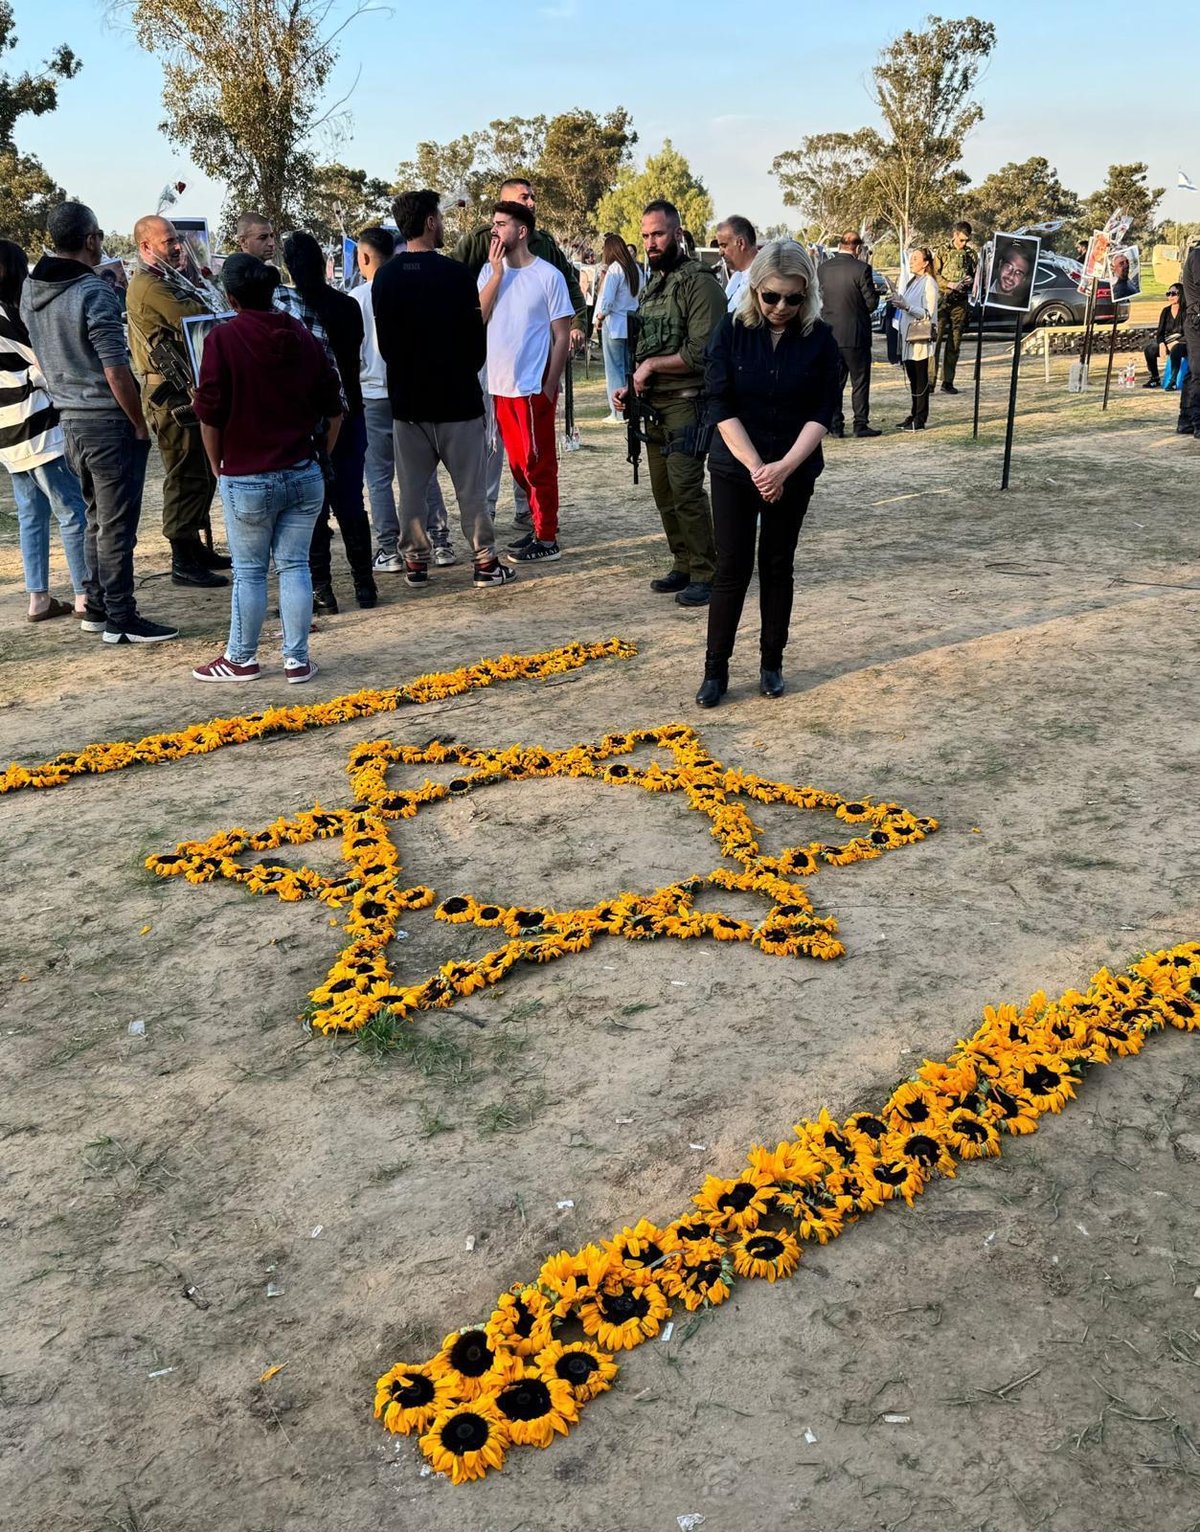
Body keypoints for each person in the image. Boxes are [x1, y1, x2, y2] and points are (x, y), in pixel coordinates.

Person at [21, 201, 178, 643]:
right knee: (116, 524)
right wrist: (139, 422)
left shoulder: (31, 290)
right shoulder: (93, 292)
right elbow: (115, 368)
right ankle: (121, 617)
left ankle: (95, 603)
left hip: (69, 418)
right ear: (91, 240)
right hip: (105, 420)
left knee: (96, 518)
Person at [698, 240, 839, 705]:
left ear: (808, 294)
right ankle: (715, 671)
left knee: (778, 564)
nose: (782, 307)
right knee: (732, 567)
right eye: (771, 297)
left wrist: (784, 468)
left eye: (794, 298)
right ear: (755, 289)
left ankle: (771, 663)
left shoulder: (819, 339)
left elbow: (824, 410)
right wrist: (759, 468)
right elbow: (719, 402)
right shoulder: (731, 330)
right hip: (737, 466)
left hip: (794, 466)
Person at [191, 254, 342, 682]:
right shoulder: (300, 334)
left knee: (250, 571)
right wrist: (321, 453)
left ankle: (241, 657)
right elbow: (335, 407)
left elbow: (210, 415)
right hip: (302, 469)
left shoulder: (222, 339)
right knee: (295, 566)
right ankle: (296, 659)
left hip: (248, 473)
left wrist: (218, 466)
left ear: (231, 297)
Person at [371, 189, 514, 589]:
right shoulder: (456, 275)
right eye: (441, 217)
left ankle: (415, 563)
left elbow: (387, 345)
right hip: (457, 401)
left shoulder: (385, 277)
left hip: (408, 402)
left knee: (412, 490)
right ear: (431, 222)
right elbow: (474, 344)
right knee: (471, 489)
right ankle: (485, 562)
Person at [613, 199, 726, 607]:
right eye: (645, 236)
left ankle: (706, 572)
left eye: (657, 234)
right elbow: (648, 348)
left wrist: (651, 368)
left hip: (686, 404)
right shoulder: (655, 285)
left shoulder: (701, 283)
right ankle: (683, 562)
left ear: (678, 233)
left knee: (686, 490)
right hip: (655, 404)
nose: (650, 243)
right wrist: (633, 384)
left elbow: (701, 352)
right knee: (663, 492)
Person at [126, 214, 229, 589]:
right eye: (167, 241)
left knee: (202, 471)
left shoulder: (169, 280)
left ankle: (195, 548)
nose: (175, 246)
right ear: (145, 246)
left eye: (175, 240)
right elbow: (196, 316)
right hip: (169, 393)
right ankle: (182, 558)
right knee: (185, 473)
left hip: (184, 387)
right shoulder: (149, 285)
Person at [279, 230, 377, 613]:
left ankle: (323, 590)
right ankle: (364, 585)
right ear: (323, 263)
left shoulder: (287, 311)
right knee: (351, 503)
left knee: (312, 510)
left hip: (305, 422)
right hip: (350, 412)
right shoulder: (347, 306)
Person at [352, 226, 456, 574]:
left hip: (373, 395)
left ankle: (389, 549)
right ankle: (440, 542)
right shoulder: (408, 288)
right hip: (409, 391)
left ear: (364, 257)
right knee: (422, 472)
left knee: (379, 477)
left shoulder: (356, 298)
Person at [478, 200, 573, 564]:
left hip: (532, 387)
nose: (495, 230)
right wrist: (497, 273)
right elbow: (480, 317)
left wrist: (549, 386)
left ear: (522, 231)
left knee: (538, 464)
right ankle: (537, 527)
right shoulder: (490, 273)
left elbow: (561, 335)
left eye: (502, 224)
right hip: (500, 387)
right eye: (494, 224)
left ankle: (547, 536)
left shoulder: (548, 275)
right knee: (518, 467)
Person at [0, 239, 89, 622]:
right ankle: (85, 593)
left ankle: (38, 596)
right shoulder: (14, 315)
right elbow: (40, 366)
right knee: (71, 511)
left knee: (31, 516)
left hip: (8, 433)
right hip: (39, 425)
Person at [818, 231, 881, 438]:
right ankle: (860, 424)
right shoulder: (862, 269)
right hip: (856, 335)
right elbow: (871, 303)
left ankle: (835, 424)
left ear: (840, 244)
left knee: (834, 383)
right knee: (860, 382)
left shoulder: (823, 269)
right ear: (858, 247)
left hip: (831, 335)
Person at [594, 232, 641, 425]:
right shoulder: (635, 268)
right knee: (630, 368)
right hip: (632, 324)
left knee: (614, 369)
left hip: (614, 325)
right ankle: (633, 408)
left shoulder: (615, 269)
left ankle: (618, 411)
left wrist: (599, 317)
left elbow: (607, 300)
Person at [891, 248, 939, 430]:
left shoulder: (929, 283)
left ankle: (920, 417)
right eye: (911, 258)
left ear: (926, 263)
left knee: (920, 379)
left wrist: (907, 306)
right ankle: (914, 413)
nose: (911, 261)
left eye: (915, 259)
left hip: (920, 338)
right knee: (913, 379)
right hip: (908, 338)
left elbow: (928, 313)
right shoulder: (913, 282)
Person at [933, 220, 977, 393]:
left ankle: (947, 381)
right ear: (955, 235)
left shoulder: (971, 254)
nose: (964, 244)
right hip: (943, 300)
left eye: (966, 241)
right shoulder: (942, 251)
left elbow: (976, 276)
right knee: (935, 342)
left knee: (955, 342)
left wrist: (971, 281)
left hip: (960, 302)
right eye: (961, 240)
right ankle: (930, 382)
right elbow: (935, 274)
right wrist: (949, 284)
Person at [1143, 284, 1186, 388]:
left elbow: (1190, 333)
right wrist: (1161, 344)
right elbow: (1160, 333)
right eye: (1168, 294)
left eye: (1173, 294)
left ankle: (1173, 381)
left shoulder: (1187, 311)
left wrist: (1177, 342)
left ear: (1181, 295)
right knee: (1150, 349)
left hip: (1183, 343)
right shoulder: (1166, 311)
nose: (1170, 296)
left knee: (1176, 349)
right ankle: (1155, 378)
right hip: (1168, 341)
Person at [715, 216, 758, 312]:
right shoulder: (736, 277)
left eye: (724, 246)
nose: (720, 253)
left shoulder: (764, 279)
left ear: (741, 243)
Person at [987, 240, 1034, 308]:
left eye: (1018, 273)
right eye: (1009, 267)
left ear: (1024, 279)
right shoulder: (983, 292)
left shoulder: (1022, 306)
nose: (1011, 276)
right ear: (1000, 265)